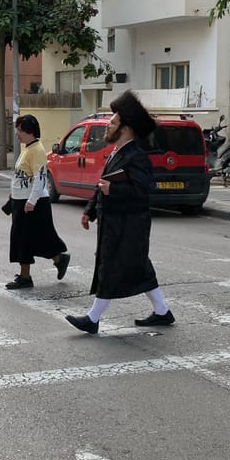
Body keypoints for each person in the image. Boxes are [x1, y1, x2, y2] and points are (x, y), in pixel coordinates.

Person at [65, 90, 175, 334]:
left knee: (111, 268)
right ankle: (162, 312)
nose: (108, 126)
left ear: (125, 128)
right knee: (139, 268)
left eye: (113, 122)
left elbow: (140, 191)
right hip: (116, 222)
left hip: (129, 224)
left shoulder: (136, 156)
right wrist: (89, 210)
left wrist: (113, 189)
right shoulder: (118, 152)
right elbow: (103, 183)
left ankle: (92, 319)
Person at [5, 114, 70, 289]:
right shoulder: (28, 148)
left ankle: (27, 276)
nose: (17, 133)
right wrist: (14, 193)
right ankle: (57, 259)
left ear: (29, 131)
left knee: (28, 238)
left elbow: (40, 178)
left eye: (19, 130)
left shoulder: (37, 150)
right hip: (21, 200)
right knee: (26, 239)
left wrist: (31, 201)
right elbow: (22, 175)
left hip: (32, 203)